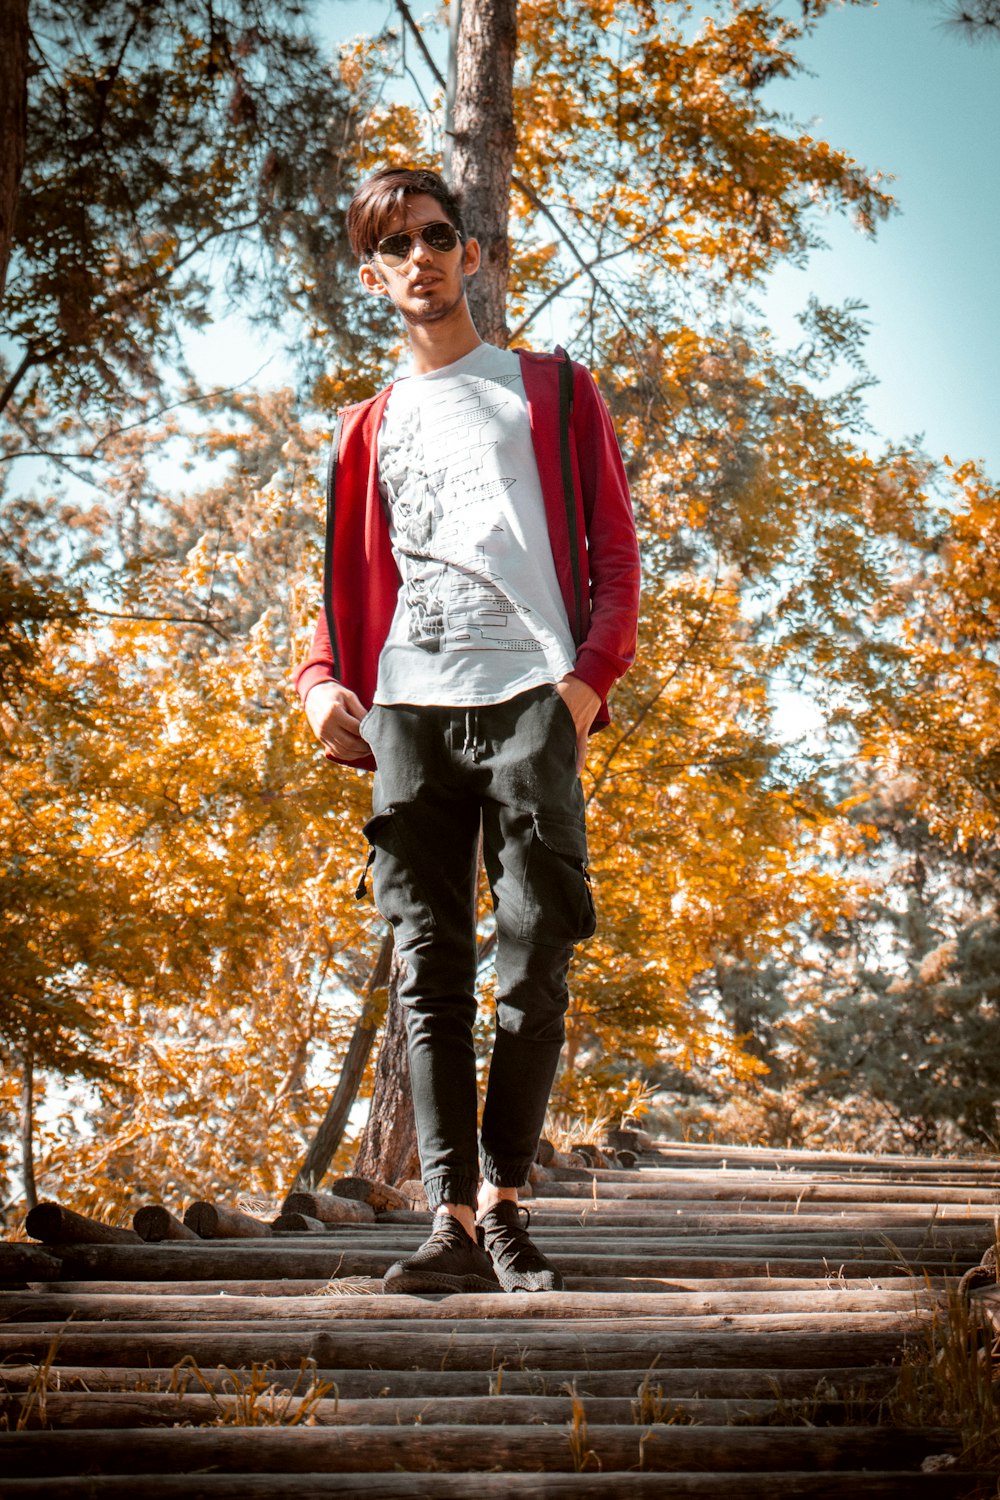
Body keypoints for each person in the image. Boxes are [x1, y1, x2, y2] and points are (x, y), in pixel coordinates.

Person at [295, 166, 640, 1295]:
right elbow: (340, 587)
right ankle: (450, 1223)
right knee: (426, 970)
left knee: (535, 953)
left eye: (438, 237)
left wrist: (581, 691)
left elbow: (617, 568)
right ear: (372, 274)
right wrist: (315, 685)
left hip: (530, 700)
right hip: (409, 712)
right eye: (394, 247)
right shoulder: (366, 426)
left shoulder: (547, 388)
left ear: (473, 255)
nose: (420, 259)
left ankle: (507, 1204)